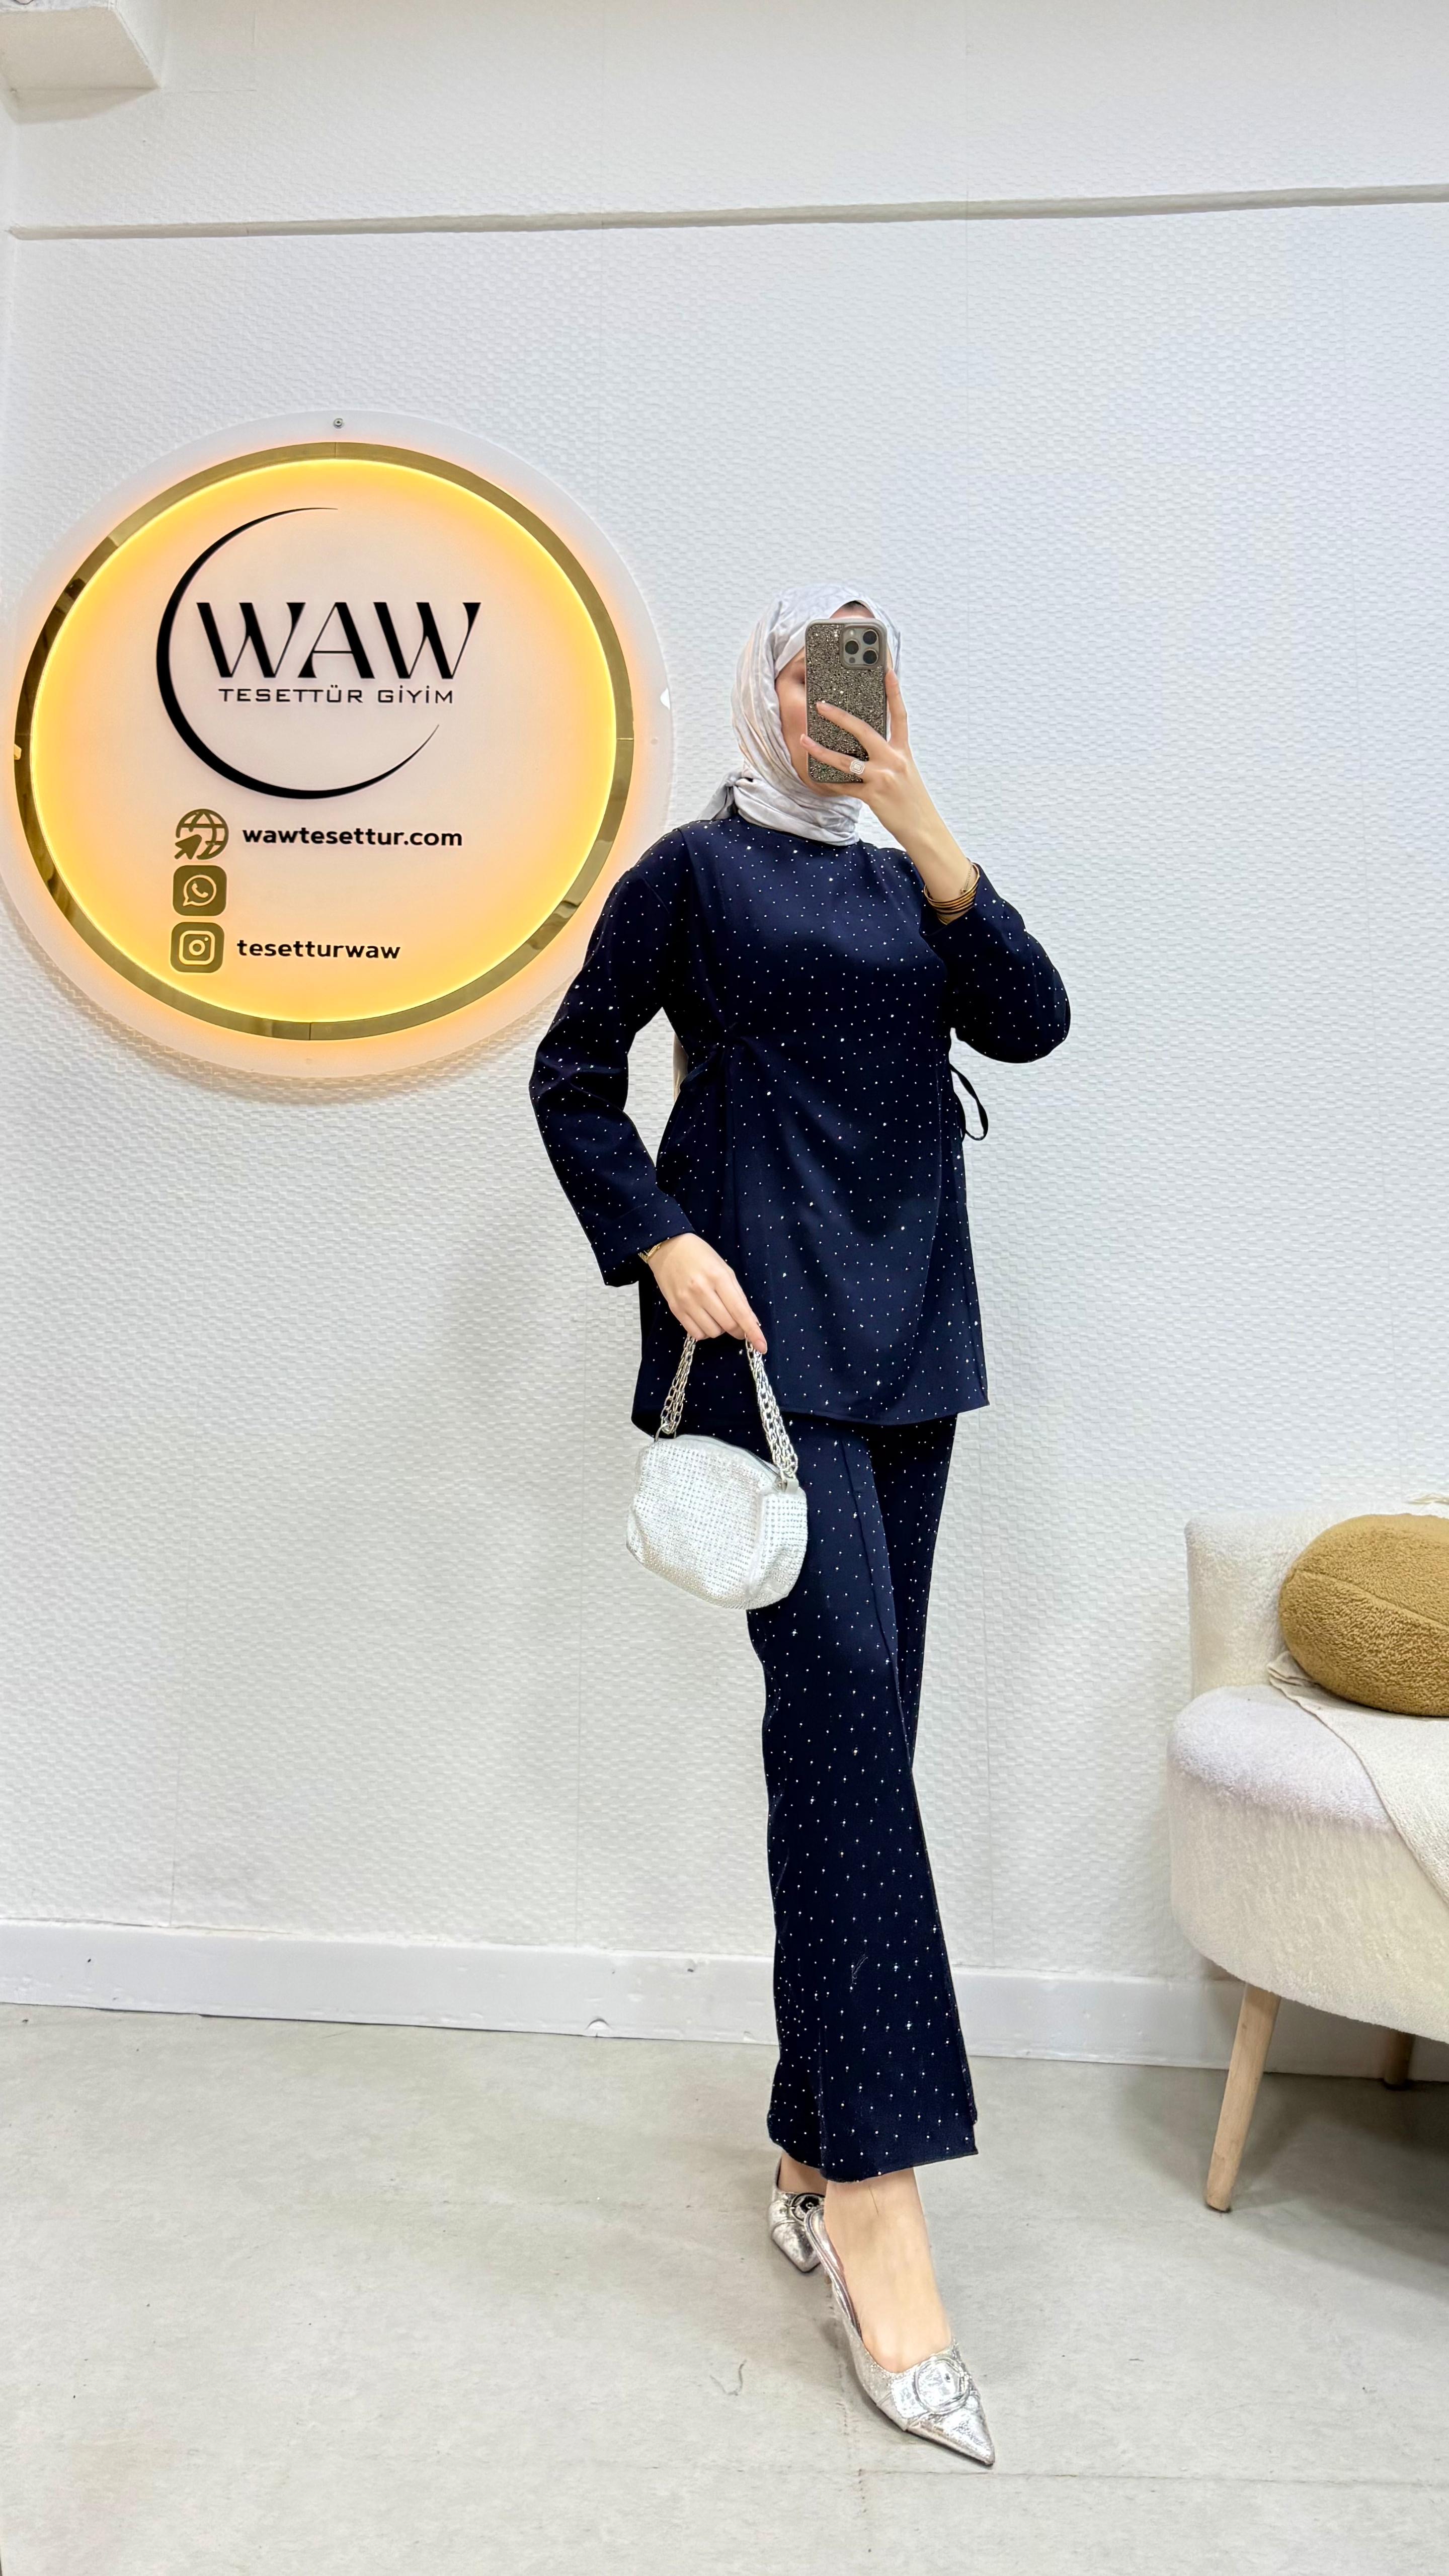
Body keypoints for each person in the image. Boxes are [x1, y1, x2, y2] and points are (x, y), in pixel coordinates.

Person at [529, 586, 1070, 2464]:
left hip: (914, 1338)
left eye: (866, 660)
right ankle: (878, 2215)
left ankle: (801, 2134)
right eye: (806, 658)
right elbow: (572, 1075)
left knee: (855, 1754)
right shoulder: (694, 872)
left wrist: (924, 818)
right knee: (845, 1741)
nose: (835, 691)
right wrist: (659, 1241)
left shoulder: (917, 873)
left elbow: (1033, 1021)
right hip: (764, 1335)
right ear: (760, 685)